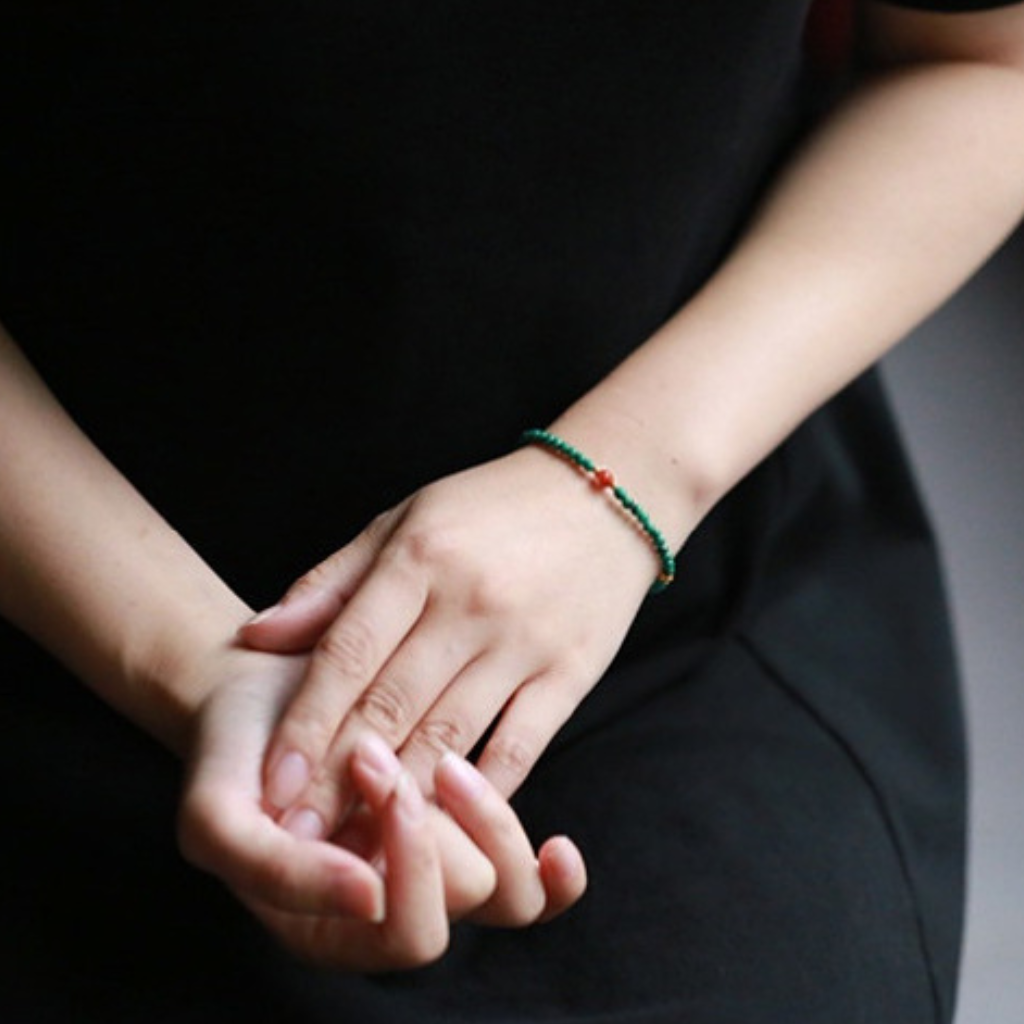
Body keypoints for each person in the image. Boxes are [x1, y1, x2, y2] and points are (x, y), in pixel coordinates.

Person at [2, 1, 1023, 1020]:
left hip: (682, 547)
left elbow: (985, 63)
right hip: (54, 577)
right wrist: (201, 671)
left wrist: (619, 485)